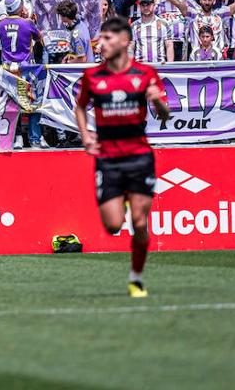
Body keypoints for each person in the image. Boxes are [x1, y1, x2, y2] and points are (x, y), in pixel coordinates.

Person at [73, 15, 170, 299]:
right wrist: (85, 135)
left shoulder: (145, 74)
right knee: (113, 225)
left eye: (107, 39)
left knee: (139, 224)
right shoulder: (93, 76)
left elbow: (164, 114)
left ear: (125, 41)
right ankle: (124, 200)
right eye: (100, 38)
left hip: (139, 156)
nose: (101, 44)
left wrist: (157, 101)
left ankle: (136, 278)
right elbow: (81, 108)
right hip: (108, 159)